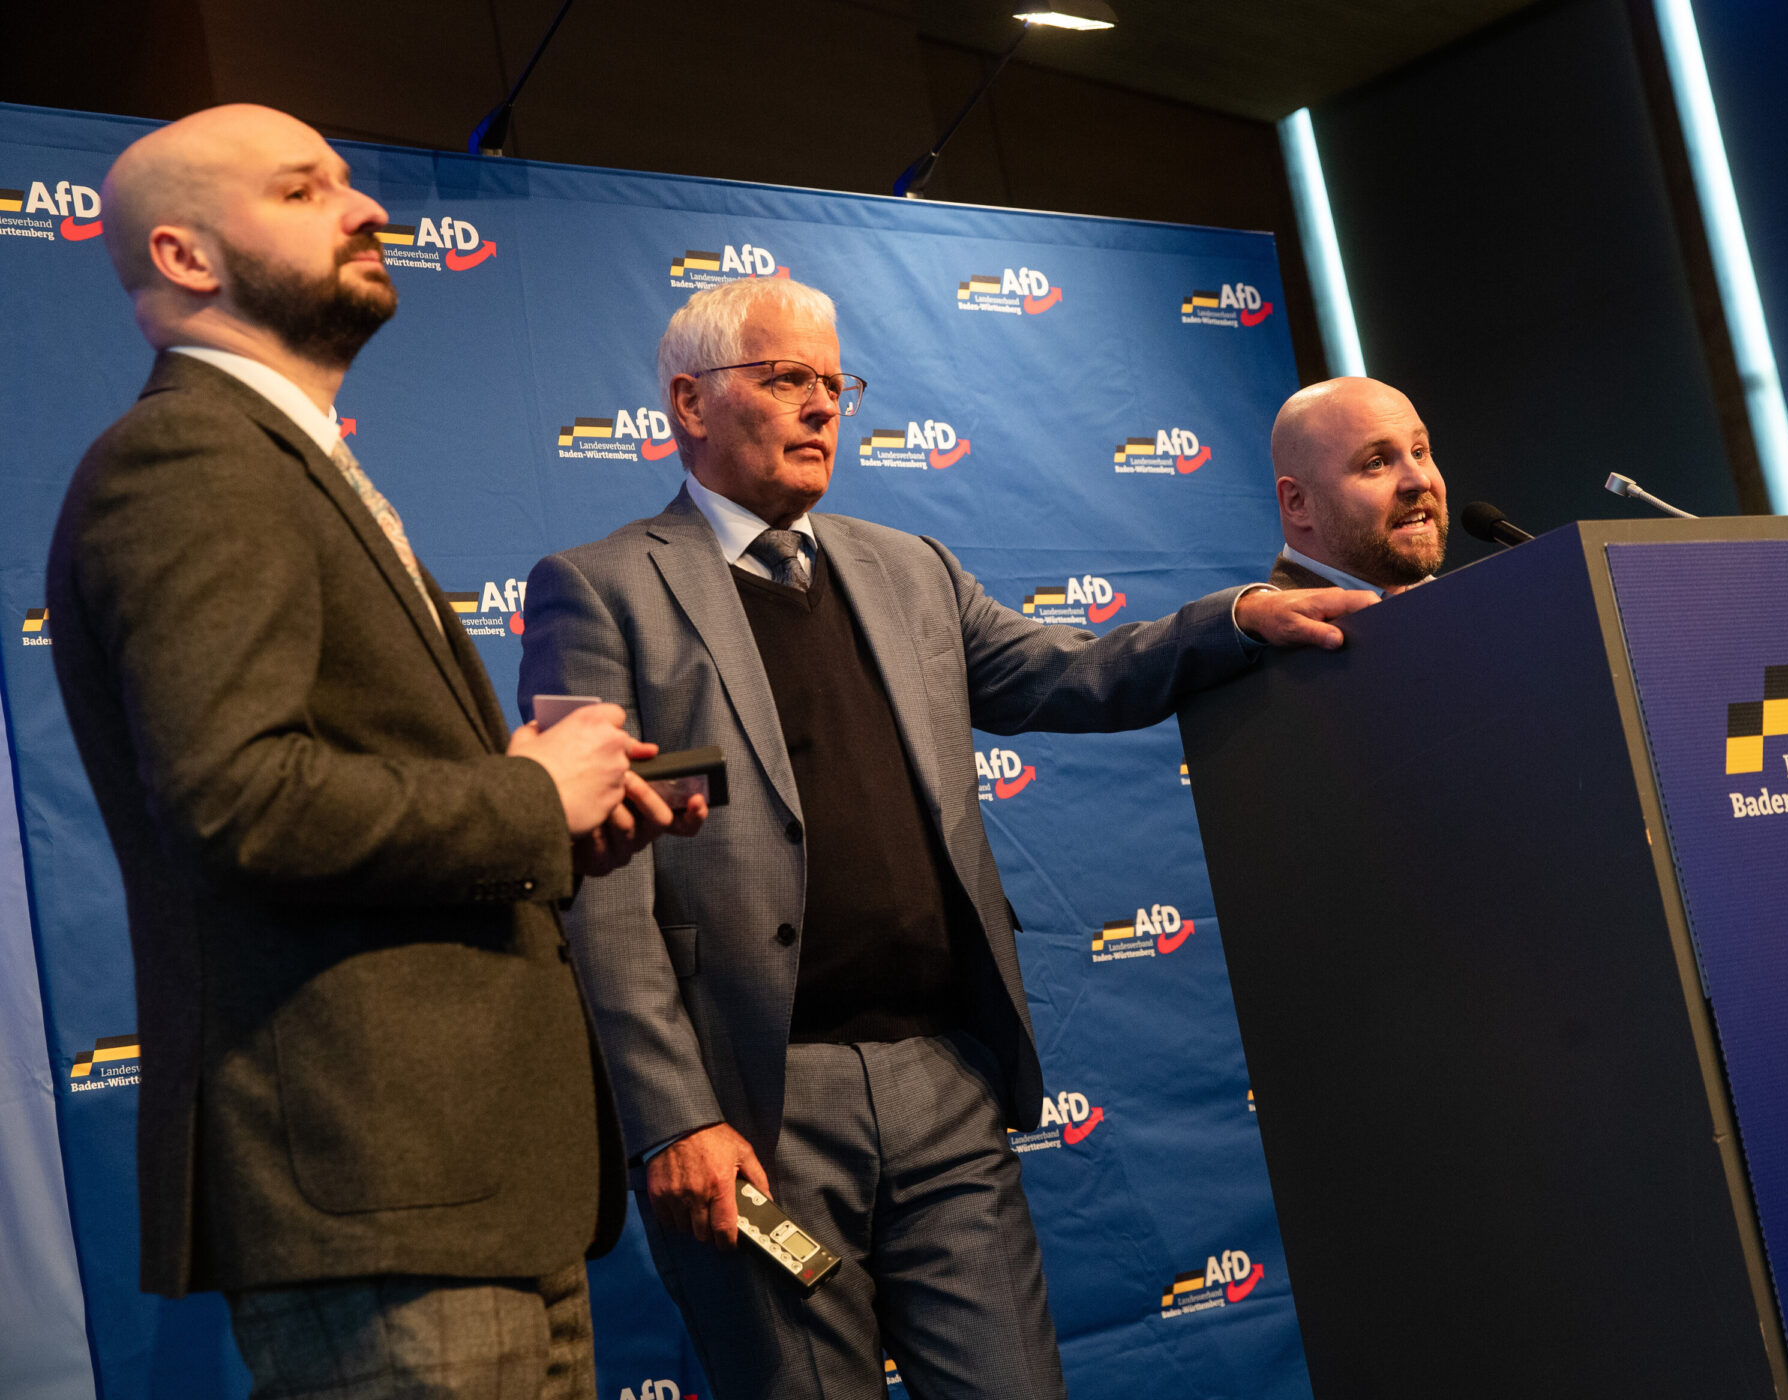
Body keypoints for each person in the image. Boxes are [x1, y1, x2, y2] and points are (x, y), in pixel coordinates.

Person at [517, 276, 1370, 1399]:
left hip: (945, 1079)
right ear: (689, 401)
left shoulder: (907, 566)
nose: (824, 407)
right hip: (761, 1106)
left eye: (836, 383)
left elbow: (1073, 671)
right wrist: (676, 1115)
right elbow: (603, 886)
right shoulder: (601, 589)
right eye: (787, 380)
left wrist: (1231, 619)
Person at [47, 103, 701, 1398]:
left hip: (461, 1189)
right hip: (380, 1189)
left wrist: (553, 809)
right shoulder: (188, 457)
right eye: (303, 191)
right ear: (185, 258)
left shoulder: (280, 458)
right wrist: (523, 798)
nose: (363, 209)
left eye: (352, 182)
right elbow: (238, 801)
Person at [1267, 376, 1450, 593]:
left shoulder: (1468, 605)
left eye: (1418, 453)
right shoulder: (1266, 626)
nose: (1420, 480)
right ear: (1297, 503)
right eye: (1376, 463)